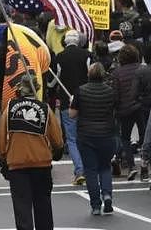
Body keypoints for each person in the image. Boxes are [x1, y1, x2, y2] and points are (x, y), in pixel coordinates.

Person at [0, 73, 64, 230]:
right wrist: (56, 151)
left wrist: (3, 157)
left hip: (17, 164)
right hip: (41, 163)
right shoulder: (45, 109)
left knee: (22, 209)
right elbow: (57, 139)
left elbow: (2, 140)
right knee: (43, 206)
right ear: (38, 88)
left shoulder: (10, 109)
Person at [70, 62, 117, 215]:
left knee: (90, 170)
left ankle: (96, 205)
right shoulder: (110, 91)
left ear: (89, 74)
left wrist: (73, 102)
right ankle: (107, 194)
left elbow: (72, 114)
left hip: (86, 135)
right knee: (105, 167)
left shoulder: (81, 91)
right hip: (106, 134)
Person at [53, 29, 91, 185]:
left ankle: (80, 170)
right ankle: (89, 168)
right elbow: (92, 75)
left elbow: (53, 81)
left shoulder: (59, 57)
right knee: (86, 136)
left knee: (72, 139)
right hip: (86, 100)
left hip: (67, 101)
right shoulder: (87, 56)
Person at [112, 43, 144, 180]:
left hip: (124, 108)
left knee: (125, 137)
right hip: (140, 106)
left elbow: (115, 94)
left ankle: (131, 166)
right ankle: (145, 164)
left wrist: (115, 108)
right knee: (144, 136)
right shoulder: (142, 69)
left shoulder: (117, 73)